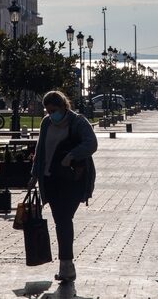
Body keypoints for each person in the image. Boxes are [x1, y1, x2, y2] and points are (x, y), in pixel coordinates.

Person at [28, 91, 97, 282]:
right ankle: (66, 265)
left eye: (54, 110)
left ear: (63, 107)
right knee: (61, 221)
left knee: (64, 220)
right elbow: (40, 150)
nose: (51, 114)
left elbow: (91, 143)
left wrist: (71, 155)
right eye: (48, 111)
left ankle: (66, 265)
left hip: (72, 180)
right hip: (51, 180)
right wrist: (34, 174)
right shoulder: (46, 123)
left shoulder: (78, 122)